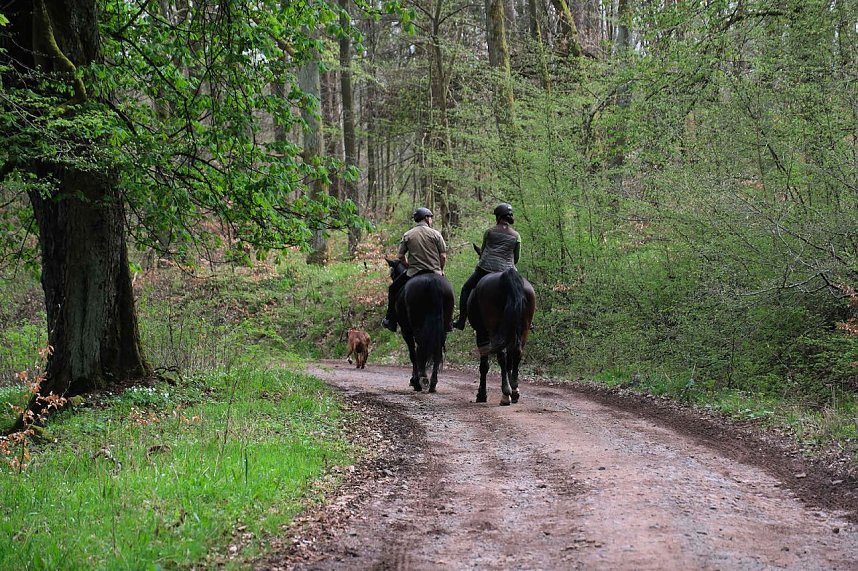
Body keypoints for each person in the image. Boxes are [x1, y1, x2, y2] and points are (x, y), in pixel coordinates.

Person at [452, 203, 521, 330]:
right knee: (521, 292)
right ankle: (528, 321)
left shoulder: (489, 232)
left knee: (466, 288)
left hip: (485, 268)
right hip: (508, 270)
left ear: (498, 217)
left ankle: (461, 321)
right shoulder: (516, 236)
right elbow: (516, 258)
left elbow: (483, 251)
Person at [382, 207, 449, 332]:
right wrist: (440, 269)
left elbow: (400, 256)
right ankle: (448, 322)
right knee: (448, 293)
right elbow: (443, 256)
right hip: (434, 271)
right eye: (431, 218)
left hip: (414, 272)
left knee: (392, 289)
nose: (431, 220)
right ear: (426, 218)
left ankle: (390, 319)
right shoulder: (436, 234)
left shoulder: (408, 234)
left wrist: (407, 265)